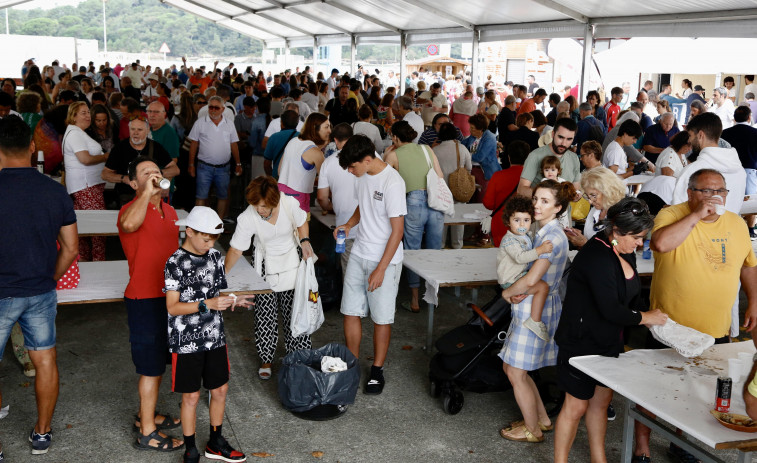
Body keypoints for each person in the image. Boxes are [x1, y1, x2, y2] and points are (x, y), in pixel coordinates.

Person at [633, 168, 757, 463]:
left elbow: (748, 265)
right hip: (668, 326)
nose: (715, 196)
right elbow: (661, 244)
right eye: (706, 191)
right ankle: (641, 446)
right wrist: (697, 215)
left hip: (712, 327)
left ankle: (682, 442)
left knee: (698, 391)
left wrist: (754, 301)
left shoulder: (737, 224)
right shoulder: (672, 214)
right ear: (690, 193)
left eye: (721, 191)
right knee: (652, 388)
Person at [554, 197, 668, 463]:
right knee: (576, 405)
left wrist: (644, 314)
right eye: (638, 237)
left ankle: (599, 458)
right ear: (616, 231)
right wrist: (646, 317)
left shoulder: (623, 250)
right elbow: (611, 309)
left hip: (609, 341)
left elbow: (629, 297)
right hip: (581, 341)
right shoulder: (596, 255)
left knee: (600, 404)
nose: (641, 243)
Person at [0, 115, 78, 455]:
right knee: (45, 360)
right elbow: (72, 248)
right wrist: (51, 276)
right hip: (40, 290)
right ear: (32, 148)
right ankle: (42, 434)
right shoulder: (54, 191)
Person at [165, 207, 253, 463]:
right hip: (186, 341)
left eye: (214, 238)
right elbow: (172, 307)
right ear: (189, 231)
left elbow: (216, 295)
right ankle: (190, 447)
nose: (210, 243)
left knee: (220, 390)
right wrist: (207, 305)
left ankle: (216, 441)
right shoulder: (174, 262)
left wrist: (234, 300)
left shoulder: (215, 257)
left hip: (215, 337)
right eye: (205, 238)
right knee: (191, 396)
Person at [498, 179, 575, 443]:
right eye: (535, 199)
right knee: (516, 368)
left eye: (544, 201)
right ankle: (541, 419)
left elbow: (532, 280)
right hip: (534, 303)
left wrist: (506, 293)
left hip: (535, 305)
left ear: (558, 207)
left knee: (515, 371)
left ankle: (533, 430)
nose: (536, 206)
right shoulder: (541, 232)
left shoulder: (551, 237)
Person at [118, 156, 184, 453]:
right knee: (150, 368)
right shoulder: (129, 210)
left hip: (169, 298)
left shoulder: (170, 211)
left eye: (157, 171)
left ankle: (148, 414)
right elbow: (130, 224)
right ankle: (147, 432)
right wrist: (146, 191)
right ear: (133, 183)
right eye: (146, 173)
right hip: (144, 298)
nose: (155, 176)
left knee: (159, 362)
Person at [335, 135, 406, 395]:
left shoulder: (393, 183)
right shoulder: (362, 177)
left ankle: (377, 369)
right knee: (350, 311)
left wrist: (381, 269)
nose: (350, 172)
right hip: (359, 251)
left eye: (352, 167)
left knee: (381, 317)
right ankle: (352, 364)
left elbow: (397, 232)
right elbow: (361, 208)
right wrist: (348, 225)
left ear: (367, 160)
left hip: (384, 259)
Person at [226, 176, 314, 380]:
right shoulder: (248, 216)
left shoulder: (289, 203)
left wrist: (305, 240)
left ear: (275, 200)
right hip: (265, 263)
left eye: (264, 206)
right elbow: (236, 249)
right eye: (255, 205)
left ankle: (298, 356)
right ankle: (266, 358)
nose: (260, 210)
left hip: (292, 259)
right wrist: (222, 277)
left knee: (295, 311)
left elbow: (302, 222)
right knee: (265, 314)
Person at [384, 121, 445, 313]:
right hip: (435, 202)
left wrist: (387, 153)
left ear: (394, 137)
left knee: (412, 251)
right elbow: (440, 176)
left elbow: (383, 181)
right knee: (435, 250)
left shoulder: (393, 155)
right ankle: (434, 296)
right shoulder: (427, 149)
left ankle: (414, 300)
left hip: (413, 201)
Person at [497, 195, 554, 341]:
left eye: (526, 220)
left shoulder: (526, 235)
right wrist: (540, 250)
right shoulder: (509, 240)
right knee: (542, 287)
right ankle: (535, 321)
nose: (522, 224)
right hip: (511, 280)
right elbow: (520, 257)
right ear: (508, 221)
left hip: (519, 276)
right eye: (517, 220)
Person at [63, 101, 109, 261]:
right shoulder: (75, 134)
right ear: (73, 116)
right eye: (83, 113)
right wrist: (105, 156)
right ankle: (97, 261)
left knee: (83, 227)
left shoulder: (78, 132)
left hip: (85, 186)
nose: (88, 116)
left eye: (88, 112)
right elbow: (85, 159)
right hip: (86, 186)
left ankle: (85, 263)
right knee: (98, 228)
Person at [187, 96, 242, 223]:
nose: (212, 110)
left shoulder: (229, 124)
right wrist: (191, 164)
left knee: (223, 196)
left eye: (216, 108)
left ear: (223, 109)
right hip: (203, 167)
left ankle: (218, 224)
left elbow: (234, 144)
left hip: (223, 168)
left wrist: (238, 163)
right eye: (210, 107)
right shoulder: (200, 122)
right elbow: (193, 144)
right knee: (201, 196)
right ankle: (198, 223)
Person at [317, 123, 361, 270]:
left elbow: (322, 198)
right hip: (371, 228)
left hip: (345, 228)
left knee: (349, 275)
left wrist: (331, 207)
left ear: (335, 140)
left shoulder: (328, 163)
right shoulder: (371, 157)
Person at [277, 112, 330, 213]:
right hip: (298, 198)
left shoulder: (293, 141)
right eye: (326, 127)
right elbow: (326, 183)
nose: (329, 131)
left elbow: (280, 171)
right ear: (315, 128)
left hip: (280, 193)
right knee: (301, 228)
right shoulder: (315, 152)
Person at [564, 167, 626, 249]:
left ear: (608, 191)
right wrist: (580, 235)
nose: (590, 202)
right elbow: (594, 236)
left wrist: (585, 243)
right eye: (588, 196)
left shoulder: (622, 216)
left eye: (593, 195)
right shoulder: (595, 210)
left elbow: (617, 246)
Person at [484, 141, 530, 247]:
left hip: (501, 223)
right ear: (528, 159)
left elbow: (488, 204)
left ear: (509, 158)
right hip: (525, 224)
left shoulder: (497, 176)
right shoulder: (532, 179)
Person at [518, 118, 579, 197]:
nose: (564, 143)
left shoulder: (574, 158)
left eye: (569, 139)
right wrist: (547, 195)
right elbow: (521, 190)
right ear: (553, 134)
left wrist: (576, 195)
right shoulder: (535, 156)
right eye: (560, 137)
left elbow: (576, 189)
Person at [722, 105, 757, 239]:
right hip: (749, 170)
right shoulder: (755, 133)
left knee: (732, 199)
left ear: (734, 118)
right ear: (749, 117)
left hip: (729, 171)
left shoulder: (725, 133)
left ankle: (733, 227)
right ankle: (750, 230)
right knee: (750, 200)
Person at [463, 113, 501, 199]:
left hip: (485, 172)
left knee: (481, 198)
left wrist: (466, 155)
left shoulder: (490, 138)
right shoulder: (473, 136)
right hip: (472, 170)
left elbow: (480, 157)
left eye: (472, 128)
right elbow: (462, 144)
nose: (470, 130)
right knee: (470, 197)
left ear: (481, 129)